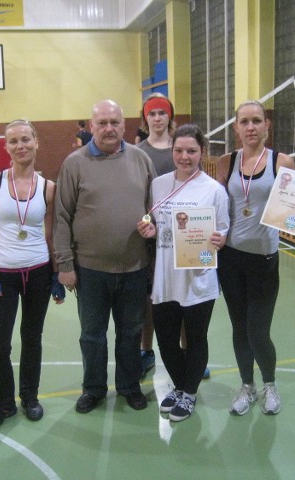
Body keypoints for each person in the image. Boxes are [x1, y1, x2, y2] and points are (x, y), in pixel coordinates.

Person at [216, 100, 295, 417]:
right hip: (230, 260)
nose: (250, 127)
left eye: (256, 121)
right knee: (238, 327)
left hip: (263, 260)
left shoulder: (281, 161)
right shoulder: (225, 162)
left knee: (258, 330)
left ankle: (269, 384)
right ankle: (247, 386)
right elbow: (217, 207)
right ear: (236, 127)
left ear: (266, 125)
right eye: (244, 121)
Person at [54, 99, 156, 414]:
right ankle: (94, 389)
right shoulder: (74, 163)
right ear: (91, 126)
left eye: (114, 121)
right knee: (92, 336)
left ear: (124, 125)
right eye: (102, 123)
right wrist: (64, 264)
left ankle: (129, 386)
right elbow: (61, 217)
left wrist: (152, 235)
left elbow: (155, 211)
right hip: (90, 271)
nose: (109, 128)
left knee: (131, 333)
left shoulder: (141, 160)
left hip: (134, 269)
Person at [0, 119, 65, 431]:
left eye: (25, 139)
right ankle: (3, 403)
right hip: (3, 274)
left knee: (32, 338)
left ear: (36, 142)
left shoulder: (48, 188)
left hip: (38, 271)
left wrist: (56, 274)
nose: (20, 145)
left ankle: (29, 397)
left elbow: (51, 233)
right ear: (6, 147)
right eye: (13, 141)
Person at [137, 124, 229, 421]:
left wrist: (220, 239)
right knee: (165, 338)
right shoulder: (159, 185)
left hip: (198, 278)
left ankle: (188, 394)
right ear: (172, 151)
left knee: (196, 337)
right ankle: (179, 385)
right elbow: (155, 223)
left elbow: (223, 231)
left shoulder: (214, 190)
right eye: (179, 150)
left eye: (191, 151)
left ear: (202, 152)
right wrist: (149, 230)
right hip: (166, 276)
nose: (184, 157)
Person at [135, 93, 177, 376]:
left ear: (169, 117)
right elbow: (137, 195)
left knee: (182, 293)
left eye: (162, 113)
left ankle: (189, 348)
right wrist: (147, 224)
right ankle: (145, 350)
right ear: (145, 118)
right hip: (150, 234)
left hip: (181, 232)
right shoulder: (137, 151)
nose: (158, 118)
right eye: (153, 114)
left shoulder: (182, 148)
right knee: (148, 297)